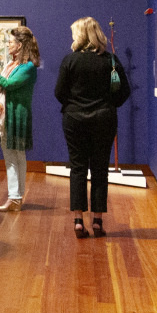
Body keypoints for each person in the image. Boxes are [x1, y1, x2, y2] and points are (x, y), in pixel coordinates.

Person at [54, 16, 131, 237]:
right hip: (104, 119)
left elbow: (59, 92)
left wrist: (74, 106)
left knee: (77, 167)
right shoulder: (111, 60)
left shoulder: (70, 60)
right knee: (100, 169)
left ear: (79, 35)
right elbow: (124, 92)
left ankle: (78, 220)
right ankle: (97, 221)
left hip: (74, 120)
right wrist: (108, 106)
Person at [0, 26, 40, 212]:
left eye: (10, 42)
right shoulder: (15, 65)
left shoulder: (28, 67)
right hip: (8, 114)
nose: (7, 45)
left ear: (20, 45)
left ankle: (15, 197)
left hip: (16, 116)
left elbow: (7, 84)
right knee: (14, 157)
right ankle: (15, 197)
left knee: (15, 157)